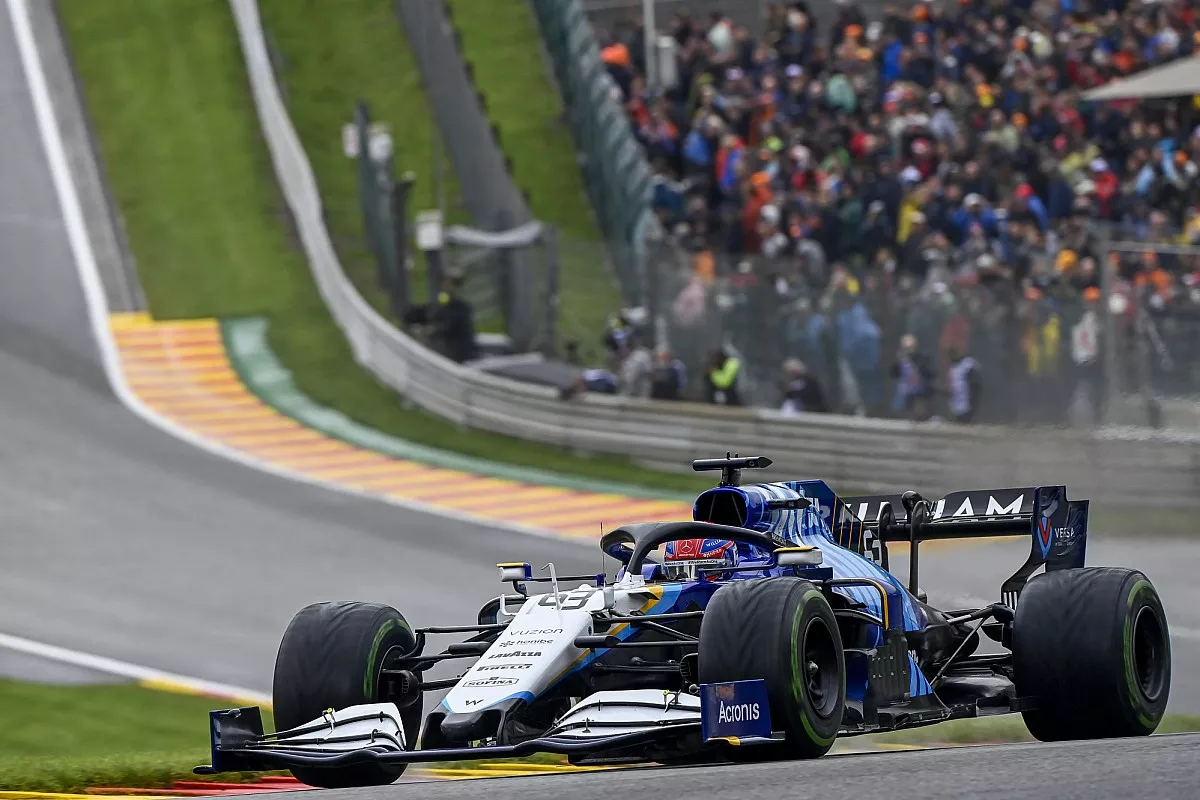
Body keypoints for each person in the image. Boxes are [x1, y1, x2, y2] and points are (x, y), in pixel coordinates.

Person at [945, 347, 982, 423]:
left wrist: (972, 394)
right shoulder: (953, 368)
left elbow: (975, 381)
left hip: (968, 397)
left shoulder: (968, 363)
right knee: (959, 416)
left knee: (966, 415)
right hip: (957, 401)